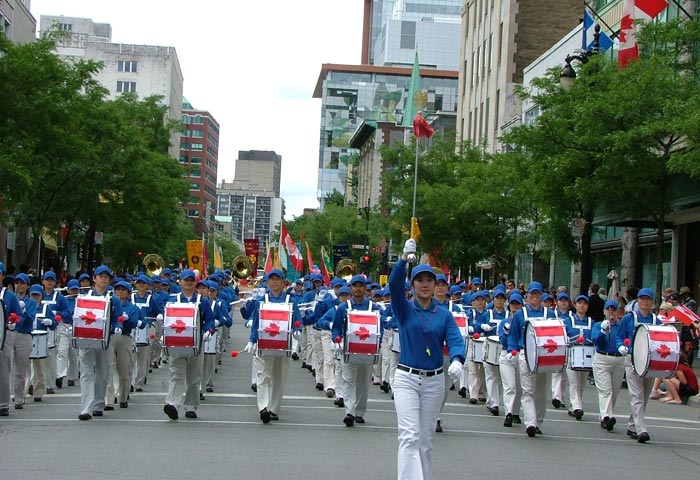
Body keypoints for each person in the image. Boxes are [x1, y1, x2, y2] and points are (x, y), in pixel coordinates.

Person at [390, 239, 465, 479]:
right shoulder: (404, 309)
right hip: (406, 379)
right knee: (409, 436)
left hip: (434, 382)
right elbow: (393, 285)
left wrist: (457, 359)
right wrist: (403, 259)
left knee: (425, 440)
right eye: (419, 280)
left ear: (436, 286)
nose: (425, 284)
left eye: (429, 281)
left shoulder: (444, 315)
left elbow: (455, 339)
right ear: (412, 285)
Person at [244, 268, 302, 423]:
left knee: (279, 377)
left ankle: (274, 409)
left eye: (278, 279)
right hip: (264, 343)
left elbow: (297, 320)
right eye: (272, 279)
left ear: (283, 283)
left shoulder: (290, 301)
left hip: (283, 344)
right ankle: (263, 408)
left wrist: (297, 331)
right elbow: (256, 323)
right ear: (268, 282)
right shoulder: (261, 300)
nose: (274, 282)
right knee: (262, 375)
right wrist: (252, 340)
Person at [162, 269, 215, 420]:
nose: (189, 283)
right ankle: (173, 404)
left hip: (196, 342)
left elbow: (209, 320)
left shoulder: (202, 301)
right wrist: (164, 335)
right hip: (176, 341)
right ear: (180, 282)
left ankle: (191, 405)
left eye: (191, 280)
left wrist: (208, 331)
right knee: (176, 373)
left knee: (194, 376)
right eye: (186, 280)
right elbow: (167, 318)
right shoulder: (172, 299)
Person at [331, 274, 383, 427]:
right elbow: (336, 327)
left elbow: (380, 327)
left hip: (367, 350)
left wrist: (378, 343)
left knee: (363, 381)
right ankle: (349, 412)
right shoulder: (343, 307)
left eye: (361, 286)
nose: (358, 289)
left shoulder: (373, 307)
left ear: (365, 288)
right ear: (351, 288)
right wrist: (336, 338)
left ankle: (359, 412)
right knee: (348, 380)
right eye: (355, 286)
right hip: (348, 349)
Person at [506, 281, 556, 437]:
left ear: (541, 296)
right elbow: (513, 334)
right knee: (527, 390)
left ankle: (538, 421)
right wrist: (512, 350)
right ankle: (531, 423)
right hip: (525, 354)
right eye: (532, 293)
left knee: (541, 392)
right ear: (527, 295)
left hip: (544, 355)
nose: (534, 296)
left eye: (537, 294)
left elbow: (555, 333)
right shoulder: (520, 314)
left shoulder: (549, 314)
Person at [78, 265, 123, 420]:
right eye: (100, 276)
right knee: (86, 372)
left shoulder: (113, 299)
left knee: (103, 372)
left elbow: (118, 318)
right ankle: (86, 408)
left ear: (109, 280)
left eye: (106, 277)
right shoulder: (85, 297)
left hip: (106, 339)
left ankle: (98, 404)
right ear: (94, 278)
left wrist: (118, 326)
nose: (103, 279)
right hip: (87, 338)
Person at [618, 287, 660, 443]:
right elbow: (619, 337)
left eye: (647, 299)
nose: (644, 302)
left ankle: (632, 425)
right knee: (637, 395)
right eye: (642, 299)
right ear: (637, 301)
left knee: (644, 395)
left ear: (651, 302)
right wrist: (621, 346)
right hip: (632, 360)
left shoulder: (656, 321)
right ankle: (641, 429)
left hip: (650, 362)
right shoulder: (629, 318)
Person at [563, 295, 593, 420]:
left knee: (581, 383)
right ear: (575, 305)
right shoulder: (568, 321)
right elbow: (563, 337)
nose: (582, 306)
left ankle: (573, 407)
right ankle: (577, 407)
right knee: (574, 382)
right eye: (579, 303)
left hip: (586, 356)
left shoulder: (591, 322)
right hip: (572, 354)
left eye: (584, 303)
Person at [28, 284, 58, 402]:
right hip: (27, 337)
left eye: (37, 295)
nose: (35, 297)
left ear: (41, 296)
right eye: (33, 295)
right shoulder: (25, 305)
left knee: (39, 367)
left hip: (40, 340)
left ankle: (38, 392)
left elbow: (54, 324)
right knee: (24, 367)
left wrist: (50, 322)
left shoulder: (46, 308)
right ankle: (24, 389)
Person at [499, 292, 523, 427]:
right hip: (506, 354)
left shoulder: (524, 321)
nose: (515, 306)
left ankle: (515, 412)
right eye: (513, 304)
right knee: (510, 386)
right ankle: (508, 413)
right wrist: (506, 333)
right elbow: (502, 341)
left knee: (519, 387)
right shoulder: (504, 322)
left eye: (517, 304)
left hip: (520, 354)